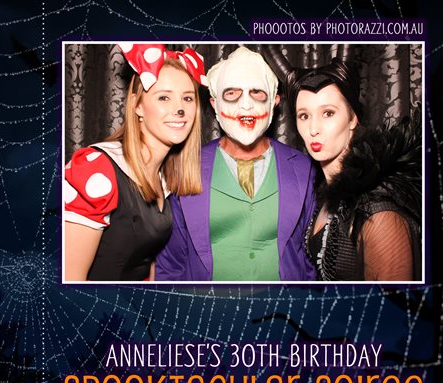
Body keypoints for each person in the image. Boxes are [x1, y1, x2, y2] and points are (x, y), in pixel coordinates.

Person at [155, 46, 316, 282]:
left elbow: (312, 257)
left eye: (257, 93)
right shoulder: (185, 167)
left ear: (274, 102)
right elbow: (170, 264)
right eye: (232, 93)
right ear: (214, 104)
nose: (246, 105)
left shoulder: (304, 168)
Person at [63, 44, 206, 281]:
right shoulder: (96, 169)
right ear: (137, 105)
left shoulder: (162, 178)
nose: (180, 109)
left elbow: (146, 261)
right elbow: (70, 281)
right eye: (164, 97)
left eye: (187, 98)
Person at [287, 60, 421, 281]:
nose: (313, 129)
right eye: (304, 116)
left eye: (328, 113)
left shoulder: (377, 212)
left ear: (352, 119)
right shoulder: (320, 192)